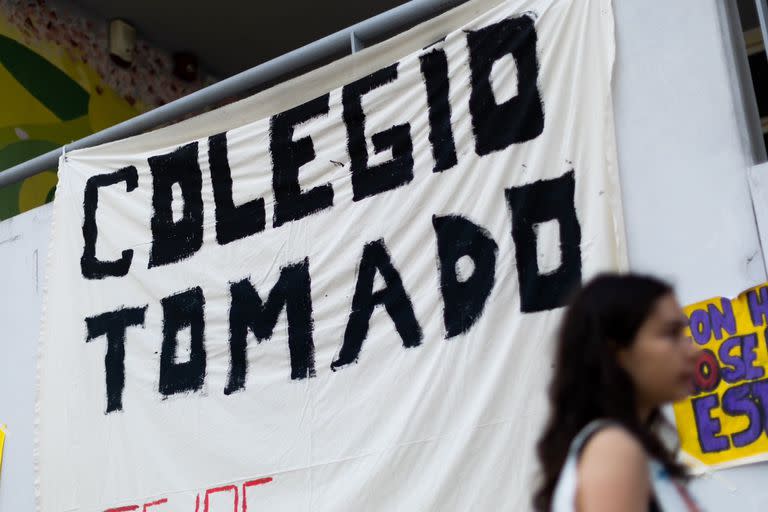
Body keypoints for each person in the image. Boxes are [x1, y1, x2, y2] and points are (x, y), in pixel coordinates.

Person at [532, 274, 702, 512]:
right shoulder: (614, 448)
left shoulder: (621, 446)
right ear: (616, 352)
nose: (694, 350)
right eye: (671, 334)